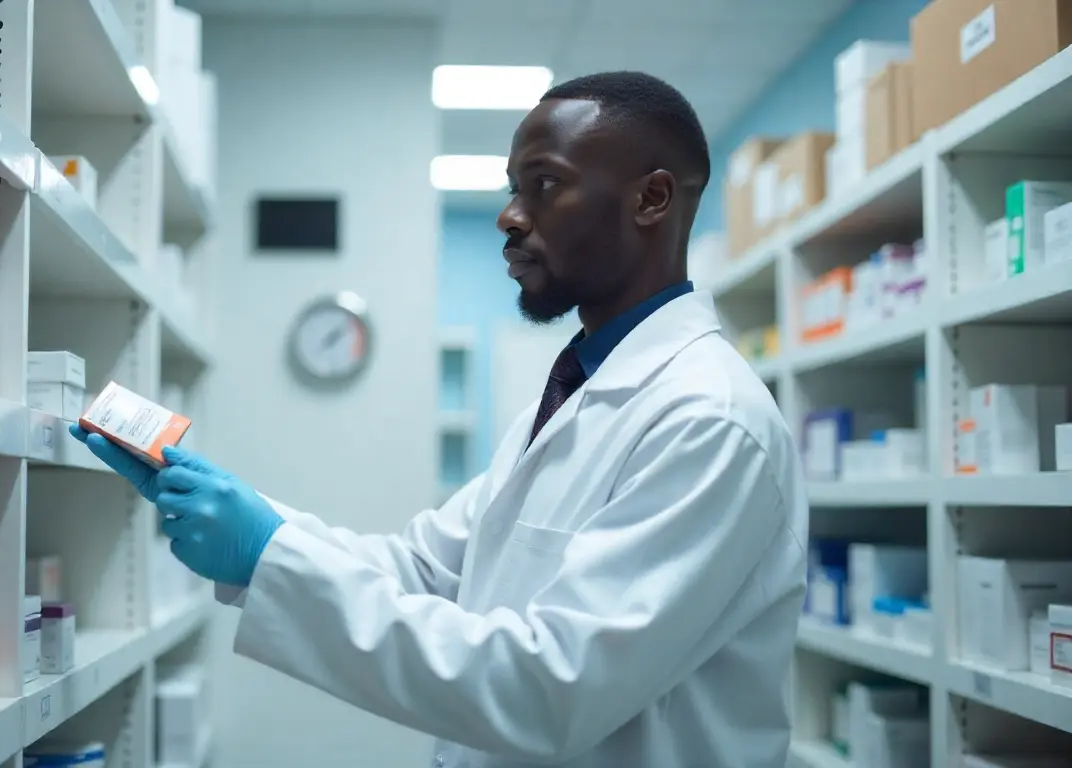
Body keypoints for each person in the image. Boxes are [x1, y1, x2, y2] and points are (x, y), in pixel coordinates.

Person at [72, 70, 808, 767]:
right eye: (514, 188)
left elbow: (555, 688)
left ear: (651, 200)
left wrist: (266, 555)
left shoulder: (711, 421)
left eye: (544, 185)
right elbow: (423, 569)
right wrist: (252, 517)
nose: (509, 217)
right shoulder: (573, 397)